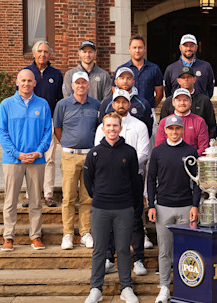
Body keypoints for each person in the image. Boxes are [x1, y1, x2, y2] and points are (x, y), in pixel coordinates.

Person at [83, 113, 140, 303]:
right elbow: (88, 181)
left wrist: (131, 203)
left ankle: (126, 287)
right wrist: (100, 196)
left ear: (120, 128)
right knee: (99, 249)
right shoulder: (95, 153)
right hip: (101, 208)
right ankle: (96, 289)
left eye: (115, 126)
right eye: (108, 126)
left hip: (124, 208)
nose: (112, 129)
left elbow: (135, 181)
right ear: (103, 128)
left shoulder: (129, 152)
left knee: (123, 249)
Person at [94, 89, 150, 276]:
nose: (121, 105)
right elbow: (97, 152)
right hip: (108, 181)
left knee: (135, 219)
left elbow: (144, 153)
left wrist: (124, 167)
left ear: (129, 104)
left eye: (124, 102)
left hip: (133, 178)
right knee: (109, 220)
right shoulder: (103, 127)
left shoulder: (140, 125)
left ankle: (139, 259)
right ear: (112, 104)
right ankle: (109, 258)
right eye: (117, 102)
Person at [147, 115, 200, 303]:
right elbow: (151, 179)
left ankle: (185, 286)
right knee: (165, 251)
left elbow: (197, 181)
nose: (175, 132)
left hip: (185, 206)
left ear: (182, 130)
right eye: (171, 129)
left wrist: (195, 205)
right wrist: (151, 205)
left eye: (178, 128)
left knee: (186, 250)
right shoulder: (158, 152)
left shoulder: (190, 151)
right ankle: (164, 287)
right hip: (163, 207)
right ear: (166, 131)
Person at [0, 69, 52, 252]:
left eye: (30, 80)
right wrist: (17, 153)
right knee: (10, 200)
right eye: (23, 80)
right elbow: (2, 133)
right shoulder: (6, 104)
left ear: (35, 83)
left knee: (36, 201)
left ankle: (35, 236)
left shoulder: (43, 104)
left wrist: (38, 152)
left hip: (36, 160)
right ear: (17, 82)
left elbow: (47, 132)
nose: (26, 83)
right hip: (12, 160)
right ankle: (8, 237)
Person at [53, 72, 101, 250]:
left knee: (87, 196)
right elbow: (57, 129)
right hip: (70, 155)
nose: (81, 86)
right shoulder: (62, 105)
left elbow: (99, 128)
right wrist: (67, 144)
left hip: (90, 155)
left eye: (84, 83)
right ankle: (67, 233)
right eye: (77, 83)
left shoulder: (96, 104)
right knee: (69, 197)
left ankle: (85, 233)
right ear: (72, 86)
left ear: (89, 85)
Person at [22, 40, 62, 208]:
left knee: (49, 159)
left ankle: (48, 194)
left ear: (49, 54)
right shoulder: (26, 72)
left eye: (46, 51)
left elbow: (60, 100)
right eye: (39, 51)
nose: (42, 54)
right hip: (31, 122)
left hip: (49, 121)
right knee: (31, 158)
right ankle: (30, 194)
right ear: (34, 53)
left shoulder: (57, 74)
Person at [159, 66, 217, 140]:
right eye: (183, 77)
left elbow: (212, 126)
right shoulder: (169, 101)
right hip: (173, 145)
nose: (186, 79)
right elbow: (162, 126)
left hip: (198, 145)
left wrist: (207, 144)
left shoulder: (204, 100)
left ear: (194, 79)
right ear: (178, 80)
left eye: (189, 77)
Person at [99, 67, 153, 137]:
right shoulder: (106, 104)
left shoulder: (143, 104)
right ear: (115, 82)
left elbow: (148, 130)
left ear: (133, 82)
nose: (125, 81)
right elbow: (101, 127)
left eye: (129, 78)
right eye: (122, 78)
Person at [115, 35, 164, 108]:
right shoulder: (121, 69)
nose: (137, 50)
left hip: (147, 111)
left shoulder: (154, 69)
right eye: (134, 47)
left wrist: (150, 107)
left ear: (145, 48)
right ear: (129, 49)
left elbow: (160, 93)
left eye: (140, 47)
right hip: (127, 111)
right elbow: (115, 91)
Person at [156, 88, 209, 155]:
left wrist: (189, 158)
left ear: (190, 102)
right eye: (179, 100)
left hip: (192, 161)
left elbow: (203, 147)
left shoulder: (199, 121)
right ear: (173, 102)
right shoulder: (164, 122)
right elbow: (159, 146)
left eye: (185, 100)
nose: (182, 103)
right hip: (169, 161)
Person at [163, 34, 215, 98]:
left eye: (191, 46)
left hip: (200, 106)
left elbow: (210, 90)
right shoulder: (171, 69)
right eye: (185, 46)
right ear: (180, 47)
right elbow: (167, 91)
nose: (188, 48)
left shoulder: (206, 67)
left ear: (196, 47)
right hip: (178, 107)